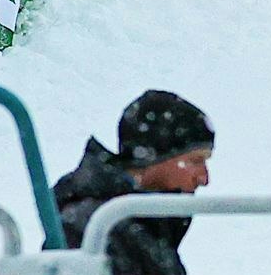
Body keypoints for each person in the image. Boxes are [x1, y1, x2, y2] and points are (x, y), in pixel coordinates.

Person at [53, 89, 215, 275]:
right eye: (195, 161)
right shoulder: (96, 227)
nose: (204, 178)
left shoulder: (144, 224)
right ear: (154, 158)